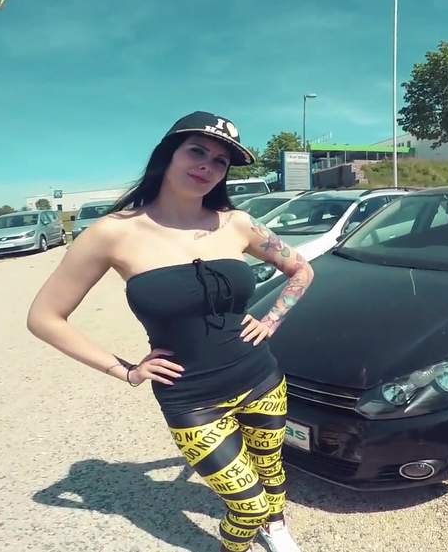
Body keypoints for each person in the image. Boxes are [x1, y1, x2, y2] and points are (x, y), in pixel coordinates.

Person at [26, 111, 314, 552]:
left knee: (271, 472)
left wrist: (272, 319)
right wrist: (125, 370)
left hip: (261, 380)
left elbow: (301, 269)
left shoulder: (235, 223)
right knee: (248, 505)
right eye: (197, 151)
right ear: (167, 155)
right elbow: (44, 317)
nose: (207, 165)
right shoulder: (112, 233)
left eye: (220, 161)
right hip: (193, 400)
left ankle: (276, 527)